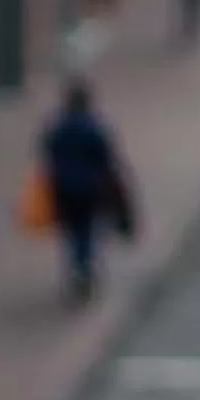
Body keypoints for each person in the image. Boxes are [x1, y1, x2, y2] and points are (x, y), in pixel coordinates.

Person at [38, 80, 135, 303]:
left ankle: (77, 267)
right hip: (90, 188)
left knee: (72, 230)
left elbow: (47, 152)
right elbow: (106, 157)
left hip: (63, 188)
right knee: (87, 229)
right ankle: (85, 268)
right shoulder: (94, 128)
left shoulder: (58, 128)